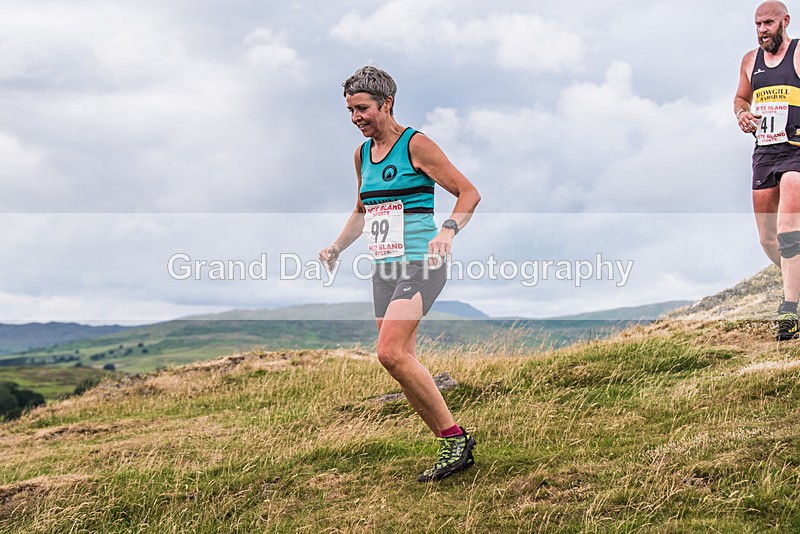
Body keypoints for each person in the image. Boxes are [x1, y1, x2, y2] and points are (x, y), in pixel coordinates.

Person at [319, 66, 481, 481]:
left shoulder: (416, 145)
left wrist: (448, 231)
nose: (355, 117)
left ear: (386, 103)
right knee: (400, 361)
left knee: (389, 352)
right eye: (350, 110)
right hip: (384, 268)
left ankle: (456, 438)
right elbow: (362, 210)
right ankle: (450, 446)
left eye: (362, 108)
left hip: (422, 262)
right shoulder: (362, 155)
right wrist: (337, 246)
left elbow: (468, 193)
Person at [735, 1, 800, 340]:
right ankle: (795, 283)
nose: (763, 30)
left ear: (785, 21)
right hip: (764, 152)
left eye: (769, 23)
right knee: (768, 238)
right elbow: (740, 98)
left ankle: (789, 311)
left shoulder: (799, 54)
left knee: (789, 230)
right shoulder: (750, 60)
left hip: (795, 151)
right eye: (758, 24)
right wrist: (742, 114)